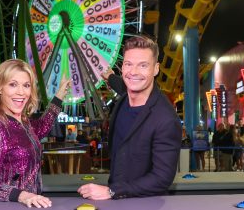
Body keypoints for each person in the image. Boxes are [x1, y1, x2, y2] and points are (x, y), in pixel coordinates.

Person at [77, 35, 181, 200]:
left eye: (143, 65)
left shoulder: (165, 119)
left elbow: (162, 178)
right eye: (128, 64)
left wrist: (111, 191)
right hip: (116, 203)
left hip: (144, 208)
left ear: (156, 69)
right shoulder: (126, 96)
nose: (133, 72)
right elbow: (123, 83)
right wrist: (110, 77)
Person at [0, 59, 70, 208]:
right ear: (0, 89)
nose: (21, 92)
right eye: (13, 84)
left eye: (26, 85)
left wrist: (59, 96)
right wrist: (22, 196)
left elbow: (42, 127)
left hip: (32, 207)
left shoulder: (23, 122)